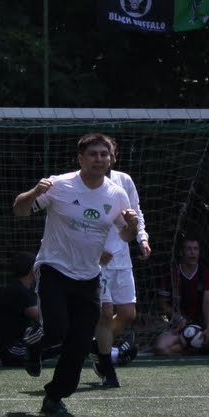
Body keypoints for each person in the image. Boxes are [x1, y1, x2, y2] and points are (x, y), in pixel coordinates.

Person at [13, 133, 138, 417]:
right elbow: (19, 210)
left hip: (89, 276)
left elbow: (124, 235)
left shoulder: (117, 194)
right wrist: (33, 192)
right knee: (57, 329)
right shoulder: (59, 185)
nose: (99, 159)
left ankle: (54, 397)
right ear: (81, 159)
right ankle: (34, 343)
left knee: (81, 342)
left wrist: (132, 228)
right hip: (54, 268)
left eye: (103, 155)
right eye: (92, 154)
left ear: (111, 159)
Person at [92, 139, 147, 388]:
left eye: (108, 154)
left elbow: (136, 213)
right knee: (105, 313)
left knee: (127, 313)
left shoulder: (124, 181)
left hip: (122, 258)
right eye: (97, 154)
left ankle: (94, 347)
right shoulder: (84, 185)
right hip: (98, 261)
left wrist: (142, 238)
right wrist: (95, 250)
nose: (104, 159)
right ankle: (106, 367)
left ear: (114, 157)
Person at [154, 237, 209, 356]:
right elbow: (162, 303)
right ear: (181, 252)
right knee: (161, 348)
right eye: (188, 249)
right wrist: (177, 318)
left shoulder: (204, 272)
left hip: (204, 322)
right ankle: (196, 348)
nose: (193, 252)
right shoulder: (172, 273)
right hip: (181, 325)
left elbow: (208, 302)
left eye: (195, 249)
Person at [0, 251, 44, 376]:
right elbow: (40, 317)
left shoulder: (22, 289)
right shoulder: (18, 291)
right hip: (14, 350)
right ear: (32, 269)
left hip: (13, 349)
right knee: (57, 330)